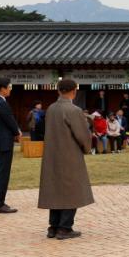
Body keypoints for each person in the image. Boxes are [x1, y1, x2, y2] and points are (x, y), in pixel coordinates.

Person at [38, 79, 94, 240]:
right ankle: (65, 228)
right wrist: (87, 148)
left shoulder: (51, 108)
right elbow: (82, 134)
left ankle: (53, 227)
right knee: (71, 191)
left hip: (52, 155)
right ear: (74, 91)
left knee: (55, 190)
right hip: (70, 154)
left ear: (58, 91)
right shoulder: (73, 110)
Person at [0, 77, 21, 214]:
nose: (10, 89)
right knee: (2, 174)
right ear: (2, 88)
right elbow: (10, 121)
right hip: (4, 142)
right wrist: (17, 132)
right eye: (9, 87)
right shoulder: (1, 103)